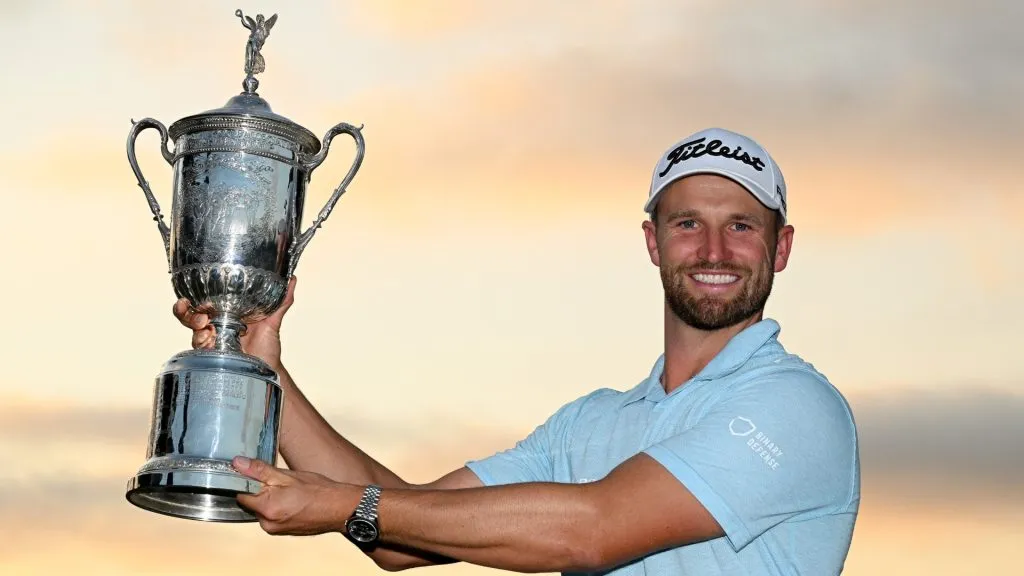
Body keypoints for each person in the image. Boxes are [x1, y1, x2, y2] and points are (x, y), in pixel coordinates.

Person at [174, 127, 860, 575]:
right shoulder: (591, 424)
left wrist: (343, 503)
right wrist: (266, 370)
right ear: (654, 243)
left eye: (741, 226)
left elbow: (593, 530)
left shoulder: (795, 407)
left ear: (782, 248)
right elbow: (399, 531)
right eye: (688, 225)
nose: (713, 251)